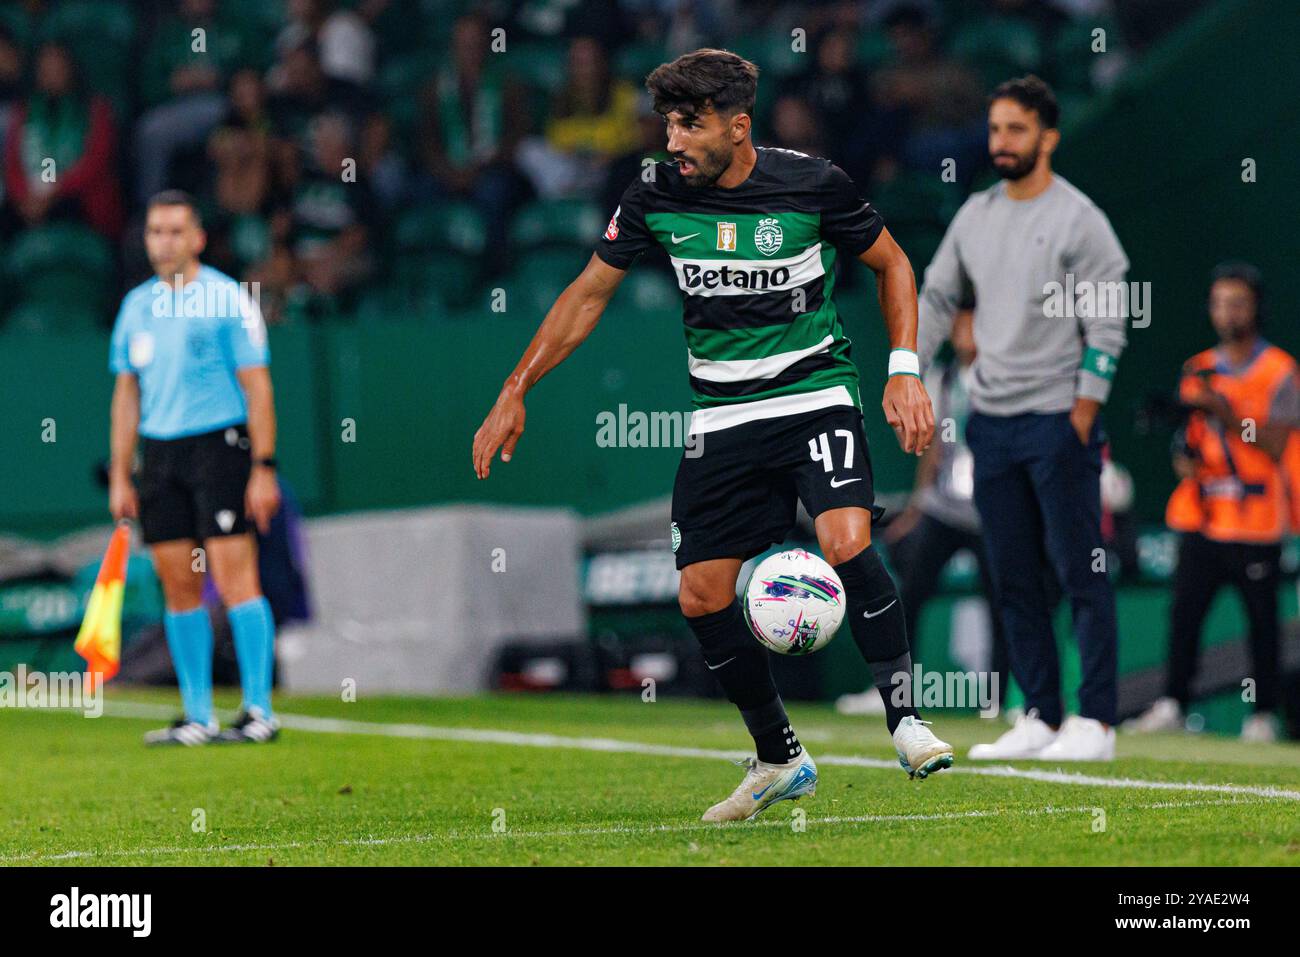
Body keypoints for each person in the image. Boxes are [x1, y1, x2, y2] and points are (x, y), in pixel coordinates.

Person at [474, 49, 952, 823]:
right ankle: (777, 757)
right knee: (699, 593)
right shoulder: (655, 193)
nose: (673, 139)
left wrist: (904, 368)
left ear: (738, 126)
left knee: (845, 539)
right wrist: (515, 385)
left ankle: (905, 719)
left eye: (689, 124)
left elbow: (894, 265)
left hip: (813, 392)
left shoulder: (812, 182)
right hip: (721, 415)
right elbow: (588, 294)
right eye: (668, 122)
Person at [917, 76, 1129, 761]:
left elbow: (1108, 325)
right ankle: (1039, 712)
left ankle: (1094, 720)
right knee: (1013, 575)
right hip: (991, 423)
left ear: (1048, 136)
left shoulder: (1080, 218)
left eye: (1015, 129)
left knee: (1080, 570)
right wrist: (908, 372)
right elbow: (936, 295)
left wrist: (1084, 411)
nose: (1001, 142)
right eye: (996, 129)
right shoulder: (975, 214)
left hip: (1056, 420)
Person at [108, 190, 283, 746]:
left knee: (236, 579)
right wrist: (120, 472)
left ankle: (258, 709)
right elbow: (126, 394)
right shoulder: (136, 306)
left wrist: (263, 466)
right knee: (178, 586)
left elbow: (258, 388)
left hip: (219, 447)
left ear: (198, 238)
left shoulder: (227, 299)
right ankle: (197, 714)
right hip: (161, 456)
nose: (164, 241)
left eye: (175, 231)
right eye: (155, 231)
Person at [1127, 263, 1300, 741]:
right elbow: (1189, 443)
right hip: (1203, 514)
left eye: (1238, 302)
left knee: (1262, 623)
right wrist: (1183, 453)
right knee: (1183, 616)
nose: (1228, 313)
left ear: (1256, 308)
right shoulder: (1196, 368)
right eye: (1221, 303)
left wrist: (1227, 412)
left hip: (1255, 518)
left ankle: (1264, 714)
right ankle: (1172, 703)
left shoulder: (1278, 371)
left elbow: (1277, 445)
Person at [838, 309, 1011, 716]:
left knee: (1003, 601)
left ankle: (1001, 701)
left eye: (974, 324)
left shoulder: (1001, 377)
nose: (966, 332)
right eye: (960, 324)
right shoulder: (942, 377)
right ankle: (892, 692)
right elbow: (933, 450)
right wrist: (917, 507)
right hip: (943, 508)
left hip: (990, 511)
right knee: (908, 595)